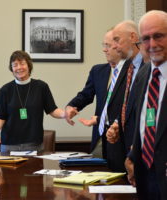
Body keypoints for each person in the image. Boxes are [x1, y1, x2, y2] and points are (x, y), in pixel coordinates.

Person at [125, 10, 167, 200]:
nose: (152, 44)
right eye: (146, 39)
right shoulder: (143, 75)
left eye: (158, 36)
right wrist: (133, 156)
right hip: (145, 174)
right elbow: (143, 121)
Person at [65, 30, 123, 159]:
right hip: (100, 138)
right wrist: (71, 106)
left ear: (119, 46)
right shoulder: (98, 71)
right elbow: (86, 95)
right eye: (103, 45)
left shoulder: (132, 72)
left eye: (107, 45)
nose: (104, 50)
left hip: (121, 138)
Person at [0, 50, 65, 153]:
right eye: (15, 65)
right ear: (11, 68)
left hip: (34, 145)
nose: (19, 68)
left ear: (29, 65)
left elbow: (52, 110)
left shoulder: (41, 87)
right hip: (9, 146)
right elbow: (0, 118)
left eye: (22, 63)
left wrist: (65, 114)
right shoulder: (5, 90)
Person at [104, 20, 145, 171]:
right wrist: (117, 124)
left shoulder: (149, 66)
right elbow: (128, 104)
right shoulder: (128, 66)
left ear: (133, 37)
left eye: (116, 40)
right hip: (124, 150)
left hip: (143, 153)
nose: (113, 46)